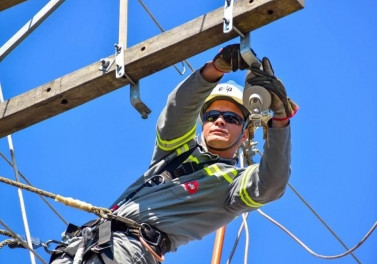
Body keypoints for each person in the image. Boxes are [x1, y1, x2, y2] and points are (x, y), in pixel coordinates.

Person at [49, 44, 298, 264]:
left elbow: (272, 182)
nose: (220, 121)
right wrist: (216, 67)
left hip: (131, 252)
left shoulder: (232, 183)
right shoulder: (174, 151)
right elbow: (178, 108)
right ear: (204, 124)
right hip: (86, 247)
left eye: (231, 118)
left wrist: (279, 118)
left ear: (244, 134)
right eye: (212, 116)